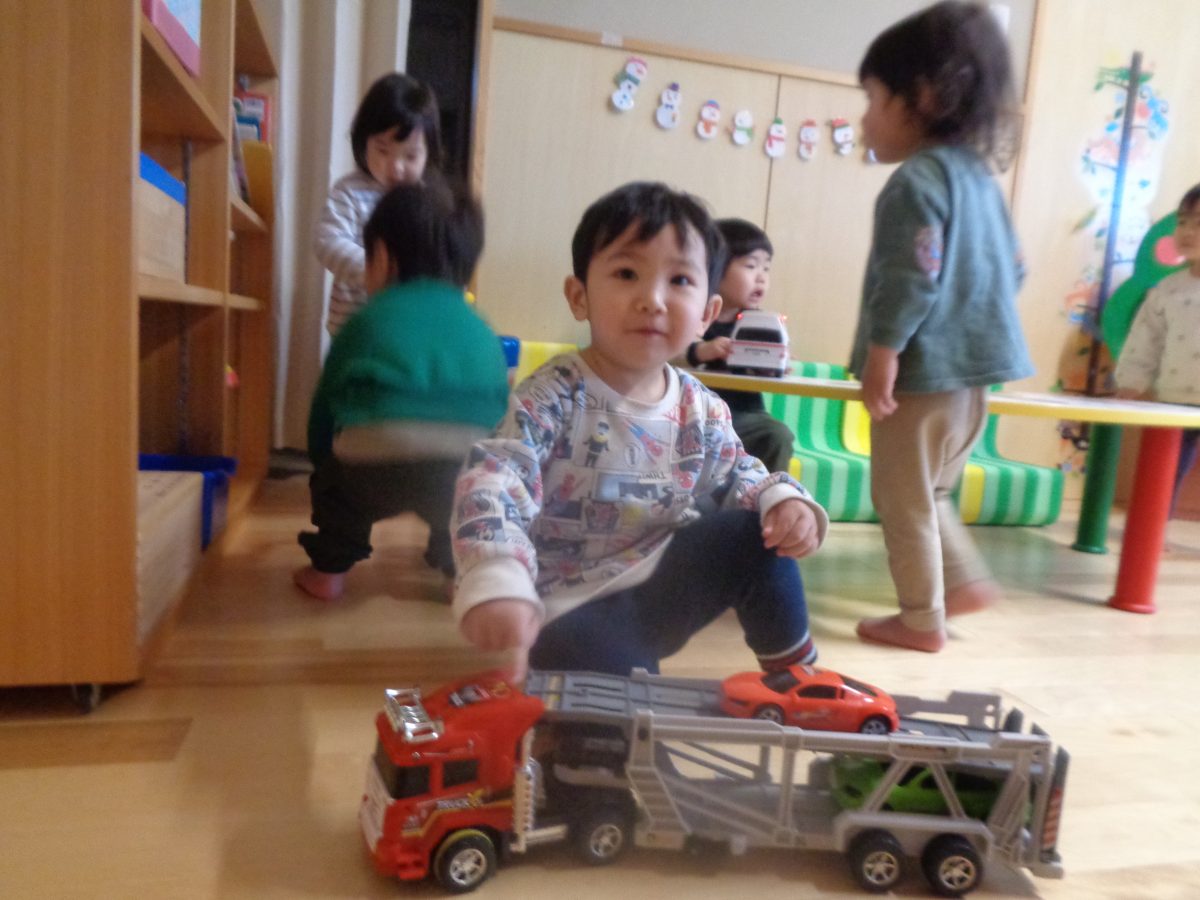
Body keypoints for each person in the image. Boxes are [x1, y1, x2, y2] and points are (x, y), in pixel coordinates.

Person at [449, 181, 829, 680]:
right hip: (568, 610)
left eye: (679, 280)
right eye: (627, 273)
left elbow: (741, 474)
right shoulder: (553, 396)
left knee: (755, 533)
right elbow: (494, 480)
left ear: (707, 315)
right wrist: (499, 574)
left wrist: (783, 501)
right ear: (579, 296)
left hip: (661, 587)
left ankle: (798, 682)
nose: (653, 299)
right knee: (615, 703)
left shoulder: (700, 407)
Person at [849, 1, 1034, 652]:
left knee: (901, 499)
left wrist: (885, 351)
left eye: (872, 99)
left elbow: (910, 276)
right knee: (930, 493)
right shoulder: (981, 181)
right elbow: (1015, 268)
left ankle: (921, 620)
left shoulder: (916, 181)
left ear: (923, 98)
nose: (864, 118)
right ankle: (964, 582)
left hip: (922, 374)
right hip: (975, 379)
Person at [294, 180, 510, 601]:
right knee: (462, 507)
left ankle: (328, 571)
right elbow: (498, 409)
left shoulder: (366, 320)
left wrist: (324, 462)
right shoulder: (482, 328)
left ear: (382, 258)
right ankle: (456, 574)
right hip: (460, 467)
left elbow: (327, 403)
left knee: (339, 496)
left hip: (370, 465)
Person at [314, 72, 442, 336]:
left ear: (428, 154)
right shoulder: (350, 191)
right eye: (383, 150)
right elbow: (327, 242)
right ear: (363, 142)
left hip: (406, 330)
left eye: (410, 156)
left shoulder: (428, 201)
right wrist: (376, 270)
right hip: (353, 329)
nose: (396, 167)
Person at [1113, 183, 1200, 518]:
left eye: (1199, 224)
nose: (1187, 231)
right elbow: (1145, 340)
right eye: (1183, 221)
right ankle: (1152, 527)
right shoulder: (1169, 289)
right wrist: (1130, 382)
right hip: (1175, 399)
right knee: (1166, 470)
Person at [684, 218, 796, 473]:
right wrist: (701, 350)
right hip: (694, 413)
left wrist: (773, 367)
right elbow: (670, 353)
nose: (761, 278)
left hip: (744, 415)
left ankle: (768, 493)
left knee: (777, 435)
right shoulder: (692, 312)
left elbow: (770, 366)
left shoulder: (761, 324)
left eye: (766, 268)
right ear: (715, 268)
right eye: (751, 266)